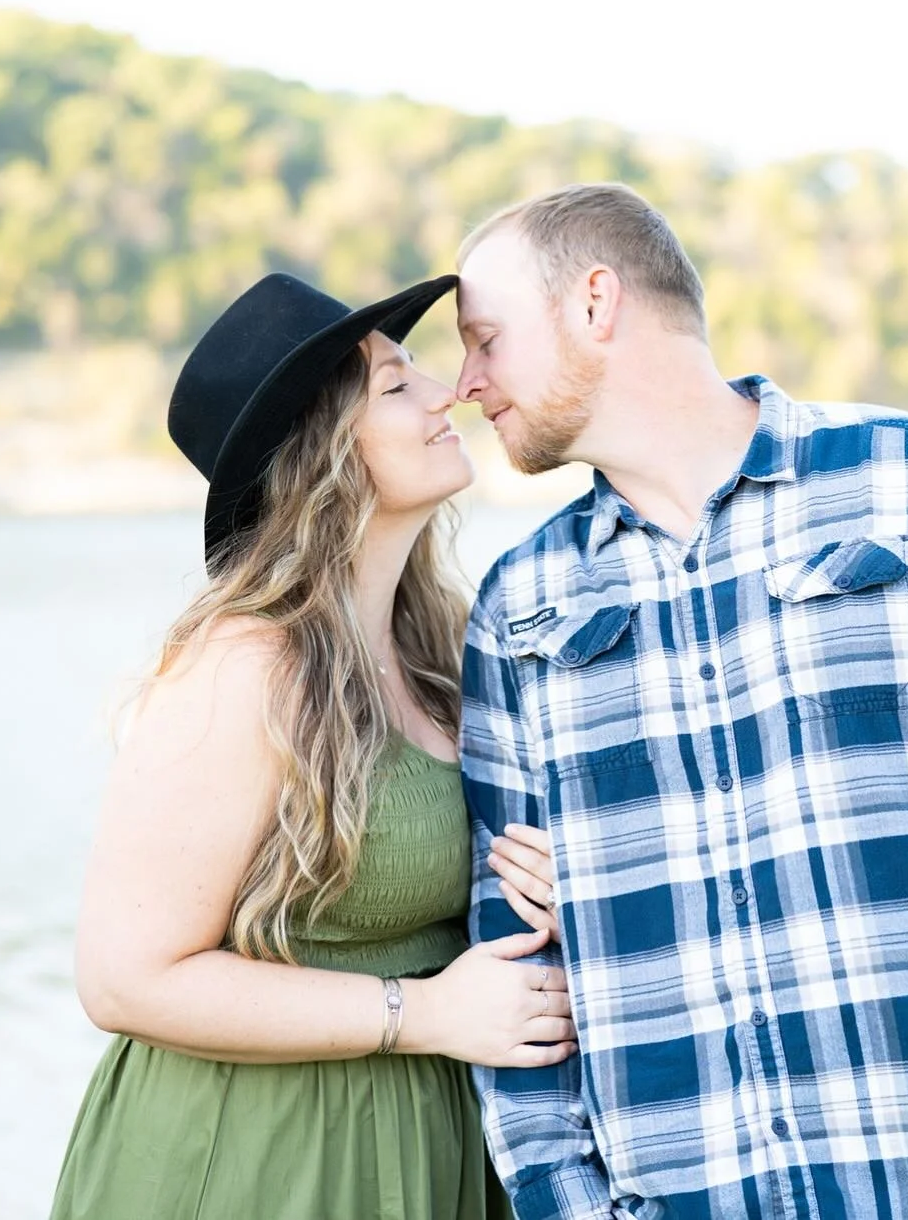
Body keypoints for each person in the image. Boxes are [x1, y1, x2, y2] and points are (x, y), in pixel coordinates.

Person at [452, 184, 908, 1220]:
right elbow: (518, 970)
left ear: (596, 303)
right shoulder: (521, 607)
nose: (464, 383)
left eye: (486, 339)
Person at [49, 271, 573, 1220]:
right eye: (394, 385)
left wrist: (538, 872)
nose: (447, 391)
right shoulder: (247, 664)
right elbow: (123, 977)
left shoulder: (442, 646)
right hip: (257, 1157)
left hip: (422, 1143)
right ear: (322, 449)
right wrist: (420, 1016)